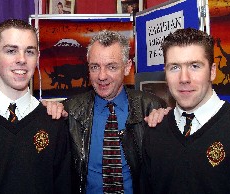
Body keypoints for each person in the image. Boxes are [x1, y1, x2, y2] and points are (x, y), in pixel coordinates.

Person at [0, 19, 71, 193]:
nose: (22, 60)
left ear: (38, 58)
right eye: (11, 51)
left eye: (30, 52)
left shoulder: (54, 122)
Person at [141, 28, 230, 194]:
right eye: (174, 67)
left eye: (194, 66)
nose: (184, 78)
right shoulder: (155, 131)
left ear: (213, 71)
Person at [60, 30, 167, 194]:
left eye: (111, 67)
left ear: (127, 67)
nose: (102, 76)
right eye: (95, 67)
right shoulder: (70, 111)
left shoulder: (151, 107)